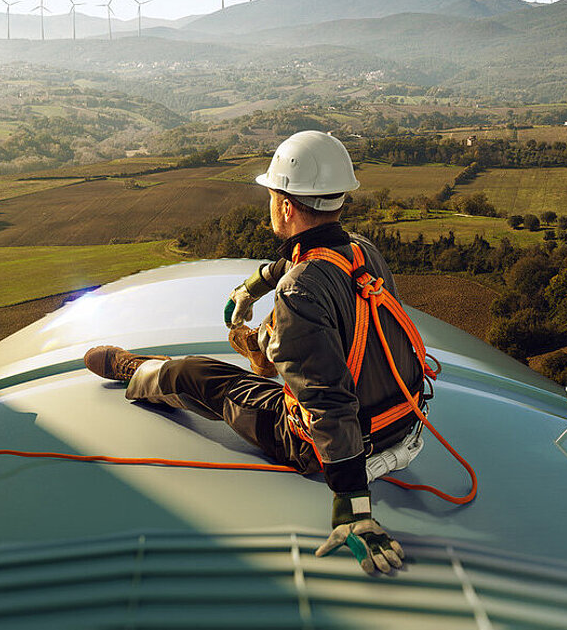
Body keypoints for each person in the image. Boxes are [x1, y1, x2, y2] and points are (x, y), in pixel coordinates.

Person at [82, 130, 427, 577]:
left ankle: (138, 371)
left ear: (285, 205)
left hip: (336, 445)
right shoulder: (362, 251)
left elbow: (328, 402)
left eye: (271, 195)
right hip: (403, 423)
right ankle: (265, 350)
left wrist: (353, 506)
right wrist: (253, 285)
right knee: (282, 344)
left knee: (198, 374)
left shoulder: (300, 291)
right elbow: (304, 260)